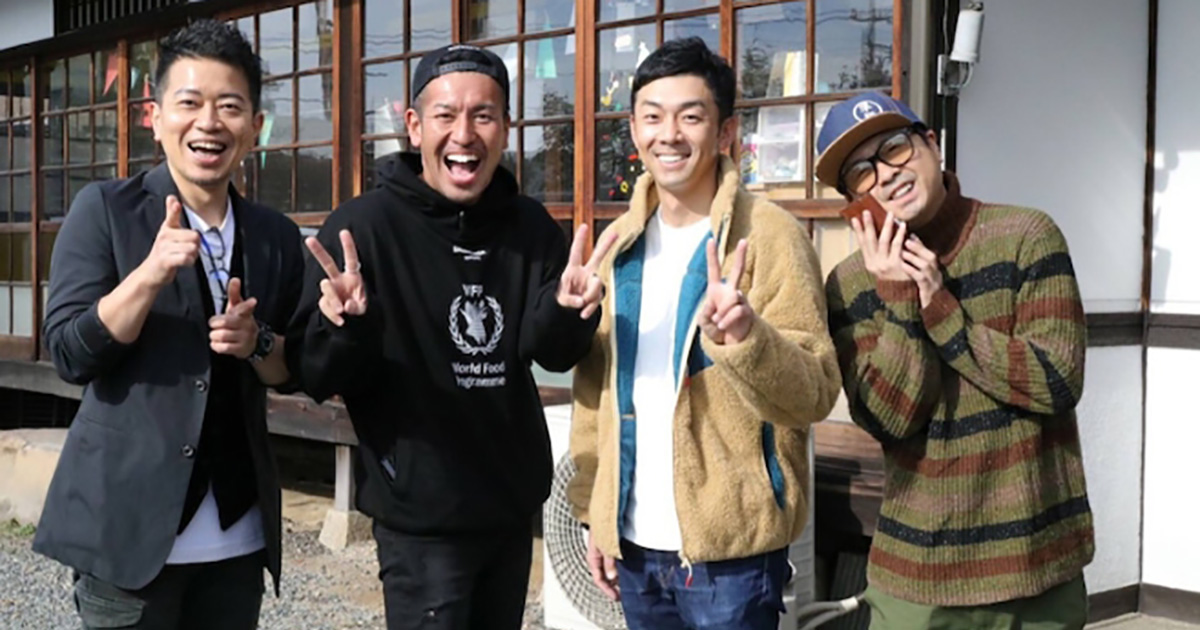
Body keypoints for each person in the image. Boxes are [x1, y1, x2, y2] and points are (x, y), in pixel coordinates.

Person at [291, 43, 610, 630]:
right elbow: (317, 374)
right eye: (446, 115)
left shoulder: (529, 227)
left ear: (505, 128)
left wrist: (571, 312)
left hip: (508, 507)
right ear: (415, 127)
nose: (464, 134)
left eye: (483, 116)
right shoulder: (362, 230)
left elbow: (552, 351)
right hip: (419, 516)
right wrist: (346, 325)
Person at [34, 20, 304, 630]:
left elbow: (292, 370)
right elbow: (71, 353)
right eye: (189, 103)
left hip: (237, 539)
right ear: (154, 118)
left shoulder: (274, 237)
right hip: (126, 536)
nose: (209, 122)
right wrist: (149, 275)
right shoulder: (107, 210)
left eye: (229, 106)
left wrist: (256, 341)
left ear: (255, 126)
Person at [566, 37, 842, 630]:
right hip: (634, 544)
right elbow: (595, 392)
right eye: (652, 117)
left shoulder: (768, 236)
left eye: (690, 117)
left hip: (733, 553)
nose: (669, 135)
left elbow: (816, 392)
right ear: (634, 130)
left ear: (725, 133)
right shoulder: (618, 245)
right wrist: (596, 511)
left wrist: (746, 338)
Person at [820, 92, 1094, 629]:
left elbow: (1057, 380)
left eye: (894, 148)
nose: (885, 175)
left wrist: (943, 313)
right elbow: (889, 419)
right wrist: (900, 298)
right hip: (917, 578)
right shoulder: (850, 285)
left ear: (932, 143)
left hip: (1037, 567)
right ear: (854, 201)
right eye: (861, 173)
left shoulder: (1026, 237)